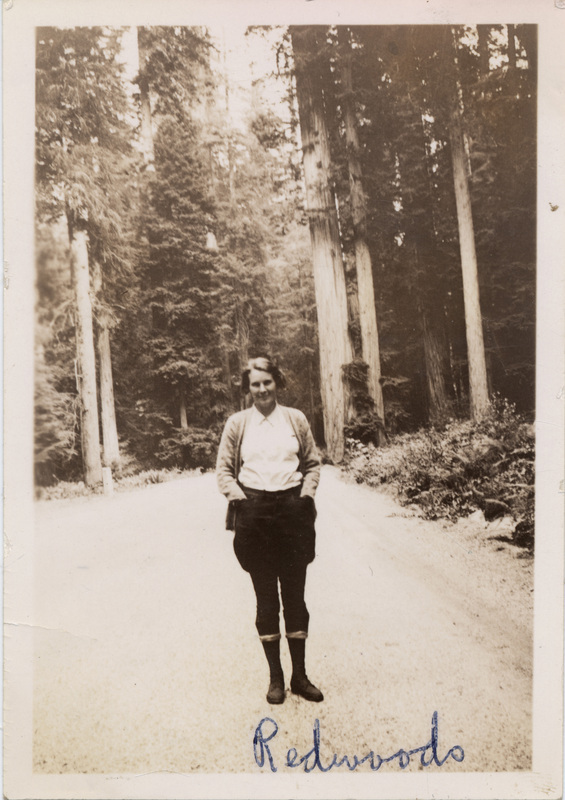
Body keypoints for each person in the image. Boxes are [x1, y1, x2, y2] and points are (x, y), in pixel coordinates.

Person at [216, 356, 324, 705]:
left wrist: (304, 498)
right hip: (255, 515)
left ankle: (300, 677)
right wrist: (243, 502)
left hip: (293, 513)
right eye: (255, 384)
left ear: (277, 382)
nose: (262, 390)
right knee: (266, 600)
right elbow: (223, 472)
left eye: (267, 382)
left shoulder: (295, 419)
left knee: (295, 596)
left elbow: (312, 464)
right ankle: (275, 679)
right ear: (247, 389)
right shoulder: (237, 424)